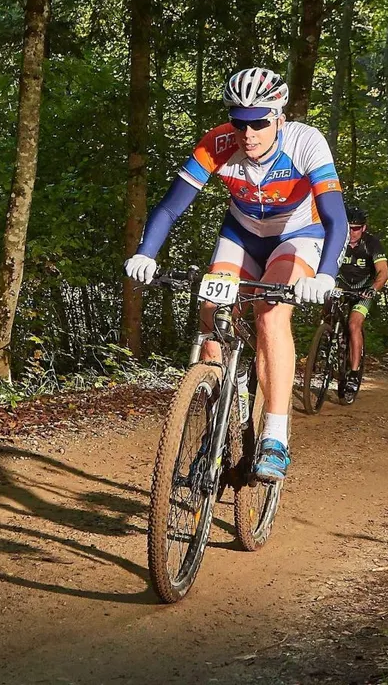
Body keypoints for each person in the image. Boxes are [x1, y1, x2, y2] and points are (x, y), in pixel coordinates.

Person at [124, 67, 346, 483]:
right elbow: (171, 207)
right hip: (242, 234)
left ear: (280, 116)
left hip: (298, 235)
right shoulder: (218, 143)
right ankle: (219, 425)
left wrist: (327, 274)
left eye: (259, 122)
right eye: (239, 122)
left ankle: (275, 438)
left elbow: (336, 218)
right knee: (212, 315)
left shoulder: (306, 142)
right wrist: (146, 253)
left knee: (271, 313)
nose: (248, 133)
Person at [333, 206, 388, 403]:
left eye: (356, 228)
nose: (351, 232)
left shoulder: (372, 243)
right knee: (327, 305)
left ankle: (354, 374)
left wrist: (374, 288)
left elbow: (383, 272)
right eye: (348, 227)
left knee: (354, 324)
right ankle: (327, 336)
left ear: (363, 228)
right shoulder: (337, 239)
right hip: (342, 285)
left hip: (364, 289)